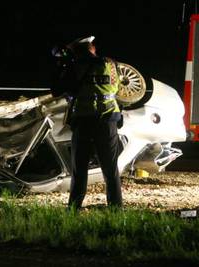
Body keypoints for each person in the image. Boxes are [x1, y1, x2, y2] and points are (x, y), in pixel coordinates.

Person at [51, 36, 123, 209]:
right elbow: (118, 87)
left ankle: (74, 208)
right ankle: (116, 209)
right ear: (91, 48)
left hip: (84, 121)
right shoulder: (110, 64)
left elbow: (56, 90)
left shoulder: (74, 66)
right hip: (108, 119)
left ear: (77, 50)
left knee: (79, 168)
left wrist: (61, 66)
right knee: (110, 168)